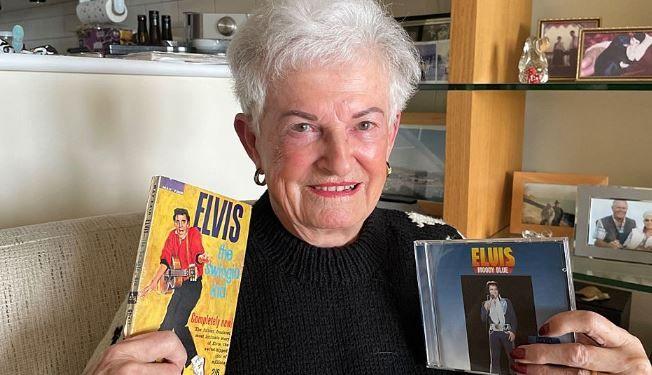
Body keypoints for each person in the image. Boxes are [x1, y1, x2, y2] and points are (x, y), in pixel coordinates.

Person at [86, 1, 651, 374]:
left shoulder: (445, 252)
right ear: (252, 141)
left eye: (364, 124)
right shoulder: (198, 267)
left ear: (392, 134)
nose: (340, 160)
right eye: (303, 126)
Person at [139, 208, 211, 375]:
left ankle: (194, 359)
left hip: (193, 286)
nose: (180, 225)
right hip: (179, 285)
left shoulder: (193, 234)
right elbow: (165, 261)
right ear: (174, 222)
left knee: (178, 322)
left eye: (183, 221)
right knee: (166, 323)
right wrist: (153, 282)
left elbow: (198, 253)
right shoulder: (172, 236)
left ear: (188, 223)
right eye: (177, 221)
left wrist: (201, 259)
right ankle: (150, 359)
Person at [481, 281, 517, 374]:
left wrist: (513, 331)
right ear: (488, 291)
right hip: (494, 334)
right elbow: (483, 320)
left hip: (506, 332)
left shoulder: (506, 302)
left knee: (512, 357)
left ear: (498, 290)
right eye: (491, 289)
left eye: (495, 289)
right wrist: (486, 309)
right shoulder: (485, 303)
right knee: (495, 359)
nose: (494, 291)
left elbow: (513, 317)